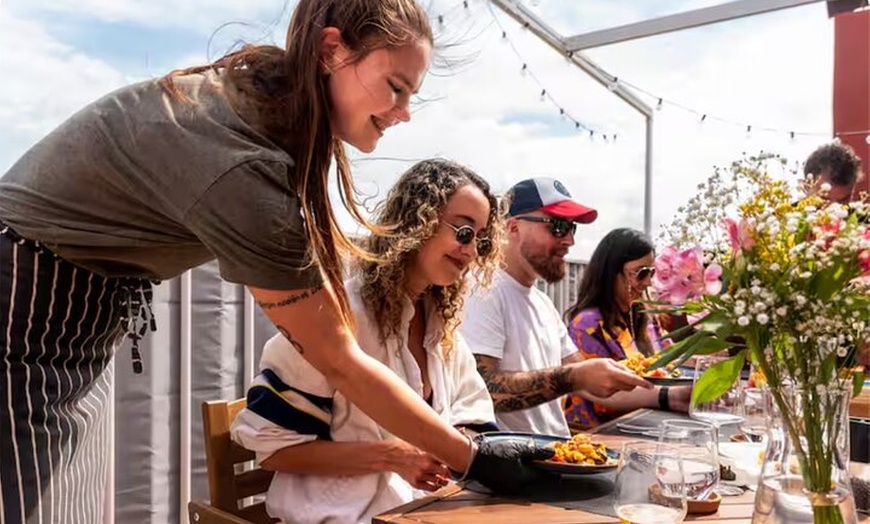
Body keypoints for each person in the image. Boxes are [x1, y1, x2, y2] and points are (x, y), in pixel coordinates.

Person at [0, 3, 539, 521]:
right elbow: (337, 361)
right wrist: (477, 461)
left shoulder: (270, 128)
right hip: (21, 313)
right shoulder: (245, 167)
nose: (403, 112)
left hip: (79, 323)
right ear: (332, 50)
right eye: (396, 87)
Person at [232, 159, 500, 524]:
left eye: (481, 241)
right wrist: (391, 455)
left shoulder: (442, 328)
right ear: (416, 221)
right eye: (465, 233)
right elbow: (275, 450)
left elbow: (475, 422)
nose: (471, 252)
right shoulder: (339, 317)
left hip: (421, 511)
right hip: (337, 514)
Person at [460, 177, 652, 439]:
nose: (570, 240)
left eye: (572, 227)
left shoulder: (543, 303)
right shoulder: (482, 290)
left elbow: (590, 383)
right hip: (513, 471)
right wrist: (574, 377)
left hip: (556, 456)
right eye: (558, 226)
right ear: (513, 227)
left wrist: (671, 396)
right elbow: (484, 390)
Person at [562, 228, 691, 429]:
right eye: (641, 273)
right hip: (600, 432)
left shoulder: (645, 316)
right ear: (611, 272)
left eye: (651, 273)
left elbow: (674, 358)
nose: (648, 282)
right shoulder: (587, 325)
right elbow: (601, 391)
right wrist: (669, 397)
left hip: (648, 422)